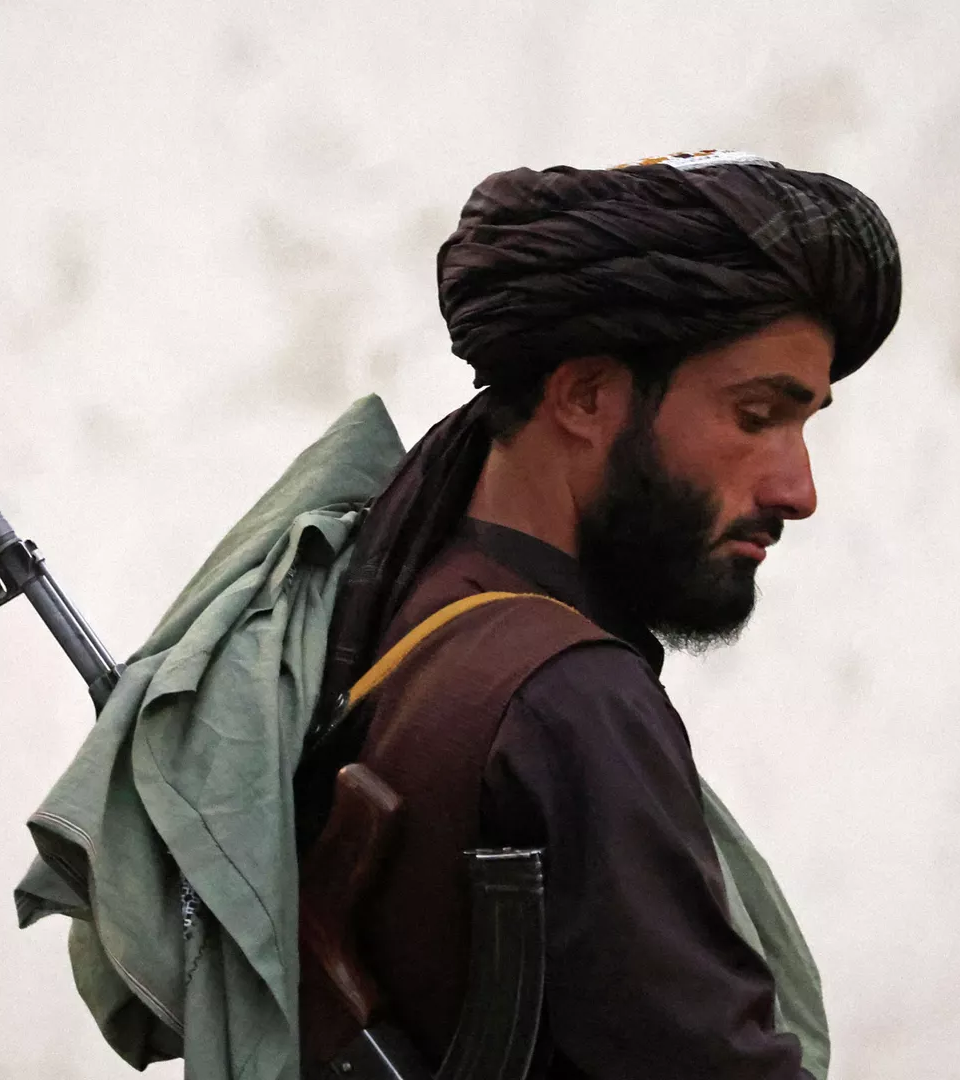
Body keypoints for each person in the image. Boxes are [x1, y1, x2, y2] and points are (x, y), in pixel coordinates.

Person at [298, 150, 902, 1078]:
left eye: (804, 423)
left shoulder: (417, 606)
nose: (798, 490)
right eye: (755, 416)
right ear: (586, 396)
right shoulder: (569, 700)